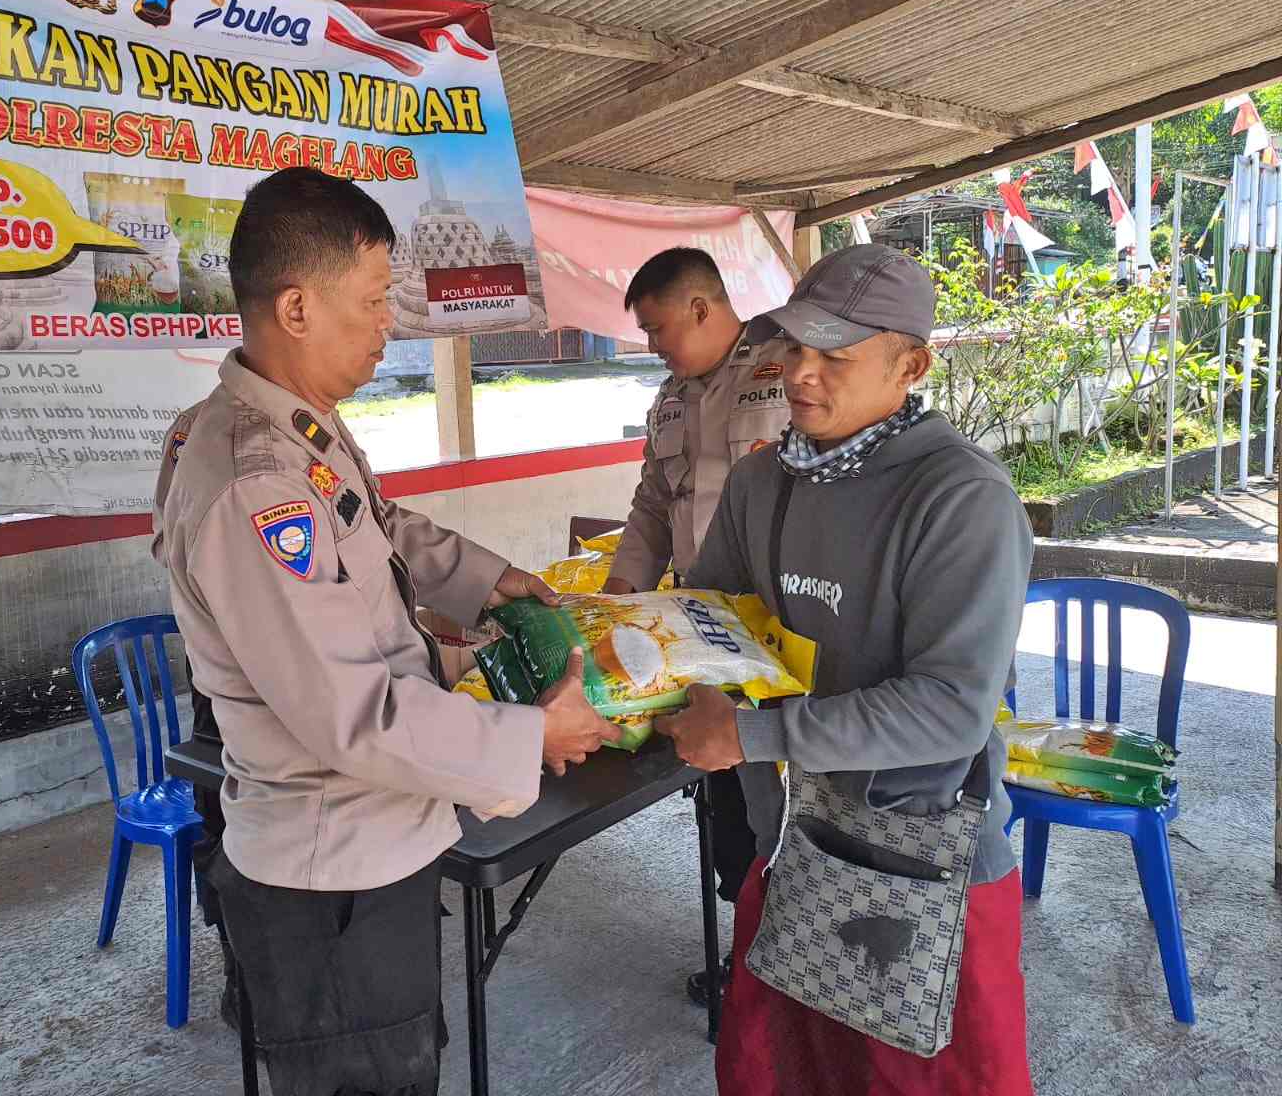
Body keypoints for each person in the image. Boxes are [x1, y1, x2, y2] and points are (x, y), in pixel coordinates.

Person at [152, 166, 619, 1096]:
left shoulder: (293, 432)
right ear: (295, 307)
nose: (386, 326)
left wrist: (491, 583)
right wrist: (537, 735)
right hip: (335, 875)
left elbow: (382, 525)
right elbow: (353, 715)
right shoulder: (255, 484)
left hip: (372, 846)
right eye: (370, 302)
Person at [654, 243, 1035, 1096]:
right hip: (787, 842)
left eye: (836, 356)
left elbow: (950, 710)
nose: (800, 374)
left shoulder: (960, 497)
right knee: (780, 1069)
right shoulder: (763, 483)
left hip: (915, 867)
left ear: (912, 364)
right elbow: (711, 617)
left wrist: (754, 733)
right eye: (792, 348)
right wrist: (638, 674)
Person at [601, 247, 789, 1006]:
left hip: (782, 635)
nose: (652, 344)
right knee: (726, 804)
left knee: (787, 801)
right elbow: (652, 504)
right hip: (699, 635)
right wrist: (620, 595)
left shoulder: (789, 374)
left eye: (656, 327)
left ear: (703, 308)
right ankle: (748, 959)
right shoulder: (671, 400)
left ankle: (792, 968)